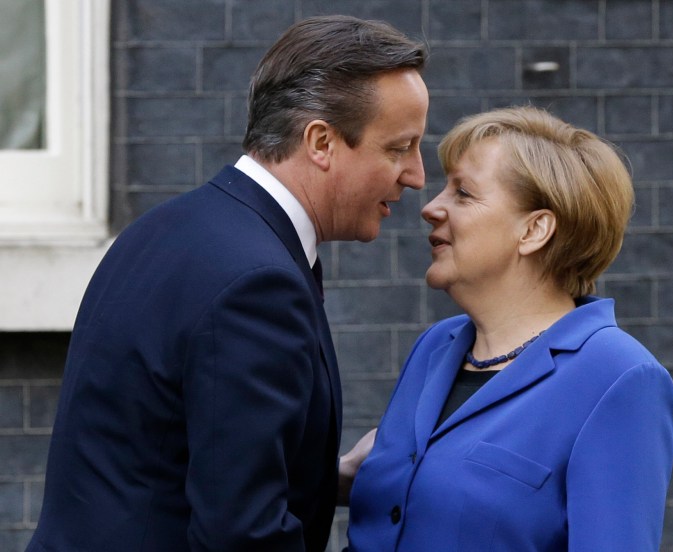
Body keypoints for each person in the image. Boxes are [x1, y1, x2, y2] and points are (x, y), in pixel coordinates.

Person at [27, 15, 428, 552]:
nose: (418, 175)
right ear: (321, 142)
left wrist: (325, 479)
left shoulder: (167, 227)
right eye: (399, 147)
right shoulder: (258, 284)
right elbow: (242, 535)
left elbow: (172, 458)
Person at [346, 106, 673, 551]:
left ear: (534, 230)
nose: (430, 207)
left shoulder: (619, 378)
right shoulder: (436, 347)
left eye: (463, 193)